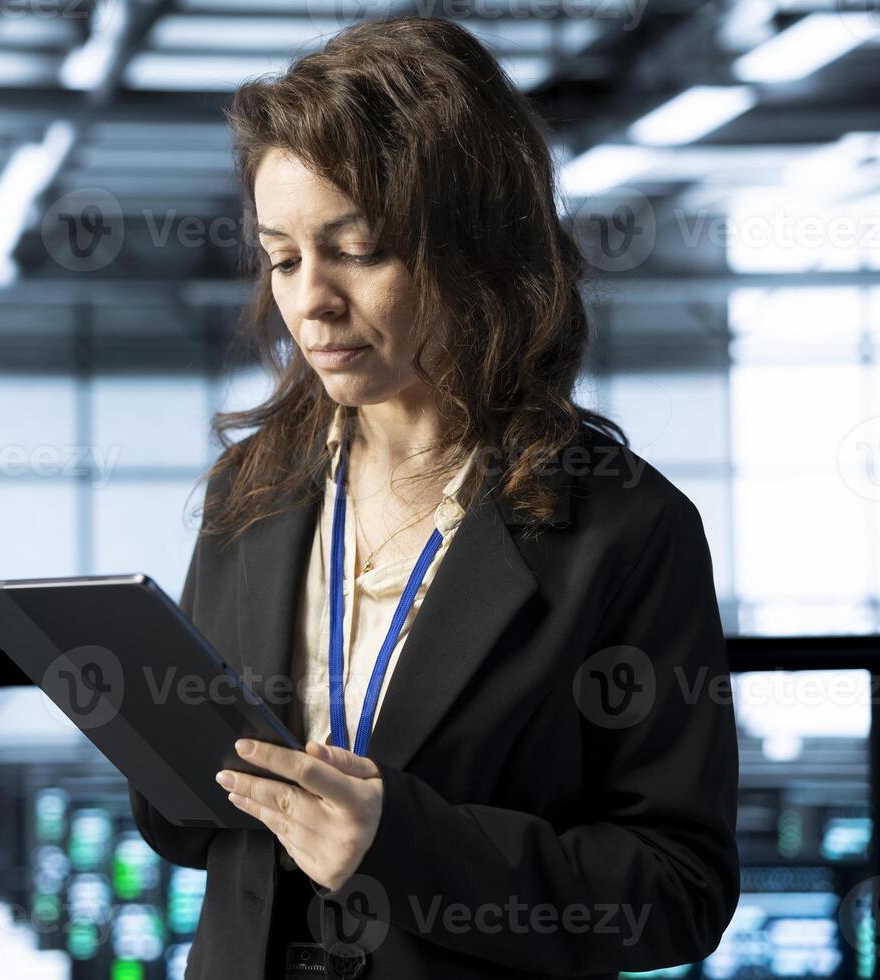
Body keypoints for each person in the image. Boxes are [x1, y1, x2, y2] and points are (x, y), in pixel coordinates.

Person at [128, 15, 740, 980]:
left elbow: (678, 888)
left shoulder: (625, 530)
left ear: (477, 252)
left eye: (358, 249)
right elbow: (190, 828)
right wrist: (153, 731)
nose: (311, 302)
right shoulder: (253, 490)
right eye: (283, 258)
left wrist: (404, 845)